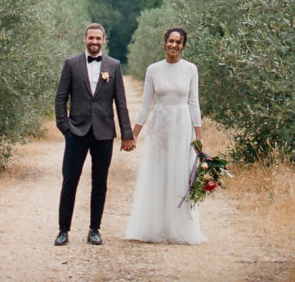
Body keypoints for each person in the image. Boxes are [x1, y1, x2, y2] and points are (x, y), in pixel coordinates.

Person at [54, 23, 134, 246]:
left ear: (104, 40)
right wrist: (65, 128)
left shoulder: (114, 66)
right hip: (76, 132)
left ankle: (94, 229)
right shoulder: (71, 64)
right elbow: (60, 97)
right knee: (70, 181)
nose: (94, 42)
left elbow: (121, 102)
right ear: (84, 39)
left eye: (98, 38)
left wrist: (127, 133)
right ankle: (63, 230)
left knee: (100, 183)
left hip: (104, 133)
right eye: (91, 38)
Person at [125, 27, 206, 244]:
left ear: (183, 46)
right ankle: (155, 227)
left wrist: (199, 138)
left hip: (182, 126)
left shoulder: (191, 69)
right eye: (171, 41)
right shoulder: (153, 70)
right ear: (164, 43)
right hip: (159, 125)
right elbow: (145, 105)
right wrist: (133, 135)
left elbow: (194, 103)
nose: (174, 45)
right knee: (158, 173)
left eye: (178, 42)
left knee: (179, 174)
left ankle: (179, 228)